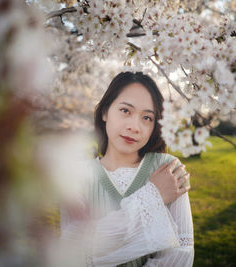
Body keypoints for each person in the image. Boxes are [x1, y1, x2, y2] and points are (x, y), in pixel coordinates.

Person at [58, 72, 194, 266]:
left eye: (147, 118)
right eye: (125, 111)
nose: (134, 126)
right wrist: (152, 197)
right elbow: (75, 252)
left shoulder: (168, 169)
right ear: (105, 112)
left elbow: (181, 255)